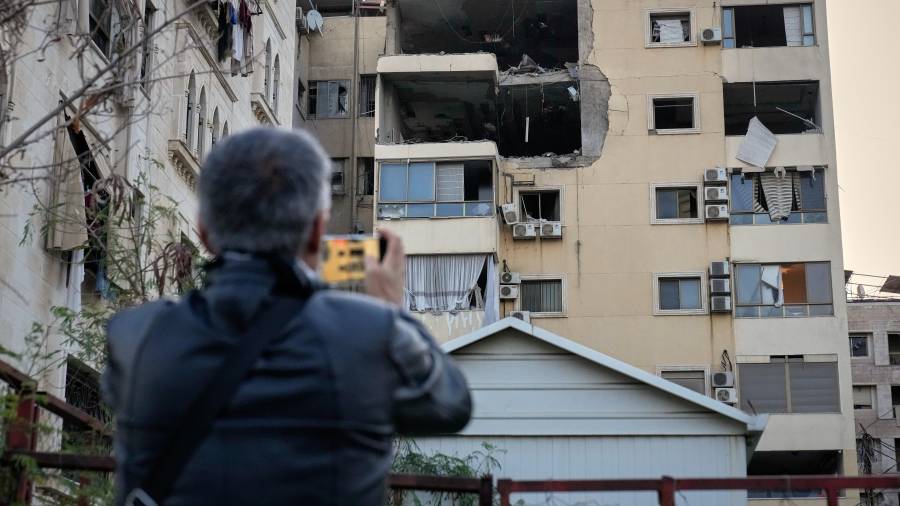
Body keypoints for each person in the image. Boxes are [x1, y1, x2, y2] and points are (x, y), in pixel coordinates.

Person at [103, 128, 472, 506]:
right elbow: (450, 405)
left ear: (204, 233)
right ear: (316, 231)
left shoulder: (134, 337)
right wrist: (392, 309)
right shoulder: (371, 333)